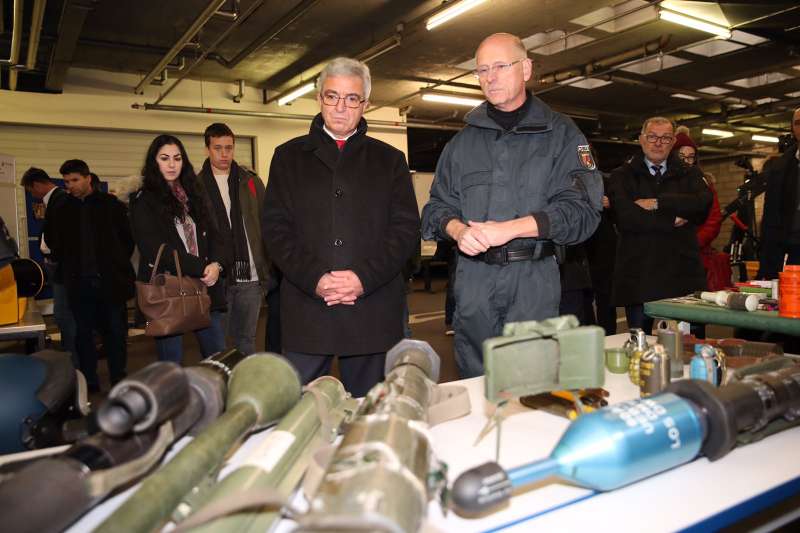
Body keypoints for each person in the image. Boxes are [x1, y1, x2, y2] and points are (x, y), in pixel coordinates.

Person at [421, 33, 602, 378]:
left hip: (533, 282)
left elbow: (583, 211)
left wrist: (511, 229)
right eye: (482, 70)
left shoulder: (562, 135)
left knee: (532, 385)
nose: (490, 77)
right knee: (476, 385)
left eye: (501, 66)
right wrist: (457, 230)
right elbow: (435, 209)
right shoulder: (461, 144)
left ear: (527, 69)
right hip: (473, 283)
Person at [263, 57, 420, 397]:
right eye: (332, 96)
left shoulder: (390, 161)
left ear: (365, 103)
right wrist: (315, 279)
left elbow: (405, 231)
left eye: (352, 99)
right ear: (319, 98)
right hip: (308, 310)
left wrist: (363, 278)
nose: (340, 108)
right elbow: (276, 230)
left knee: (369, 414)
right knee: (299, 410)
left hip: (372, 310)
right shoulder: (287, 158)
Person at [608, 117, 711, 334]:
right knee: (639, 346)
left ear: (673, 141)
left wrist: (658, 202)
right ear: (641, 140)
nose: (658, 143)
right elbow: (626, 217)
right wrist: (672, 218)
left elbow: (702, 205)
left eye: (665, 138)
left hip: (683, 275)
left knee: (694, 347)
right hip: (639, 276)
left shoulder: (690, 172)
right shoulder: (622, 176)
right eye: (652, 136)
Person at [129, 135, 227, 363]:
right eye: (164, 158)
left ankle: (217, 398)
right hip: (168, 291)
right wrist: (203, 267)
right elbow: (154, 250)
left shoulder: (194, 194)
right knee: (170, 366)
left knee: (219, 360)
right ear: (154, 162)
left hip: (204, 287)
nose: (172, 164)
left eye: (177, 158)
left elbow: (215, 236)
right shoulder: (143, 200)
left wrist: (217, 265)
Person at [44, 159, 135, 392]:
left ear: (88, 178)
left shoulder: (111, 206)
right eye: (66, 182)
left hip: (109, 283)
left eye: (74, 180)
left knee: (115, 333)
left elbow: (127, 241)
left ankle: (118, 378)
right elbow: (54, 242)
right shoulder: (63, 209)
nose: (70, 185)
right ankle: (90, 381)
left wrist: (114, 265)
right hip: (79, 284)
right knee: (83, 335)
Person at [197, 123, 270, 355]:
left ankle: (244, 388)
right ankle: (220, 389)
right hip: (217, 278)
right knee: (218, 345)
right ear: (207, 148)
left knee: (246, 340)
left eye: (229, 147)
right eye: (218, 148)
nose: (224, 154)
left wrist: (268, 267)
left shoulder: (250, 182)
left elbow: (266, 222)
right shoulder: (196, 187)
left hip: (250, 275)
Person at [20, 167, 77, 361]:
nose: (32, 195)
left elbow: (65, 237)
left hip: (64, 266)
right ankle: (72, 353)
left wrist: (53, 255)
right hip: (61, 264)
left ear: (36, 185)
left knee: (63, 313)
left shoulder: (60, 200)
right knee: (64, 313)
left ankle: (73, 356)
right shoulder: (56, 200)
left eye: (30, 190)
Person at [672, 125, 727, 292]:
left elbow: (713, 220)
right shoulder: (662, 183)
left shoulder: (705, 185)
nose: (686, 161)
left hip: (696, 256)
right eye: (681, 156)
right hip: (667, 256)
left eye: (690, 157)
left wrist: (696, 242)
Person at [757, 107, 800, 279]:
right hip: (788, 252)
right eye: (798, 123)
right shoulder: (781, 167)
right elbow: (770, 217)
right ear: (793, 129)